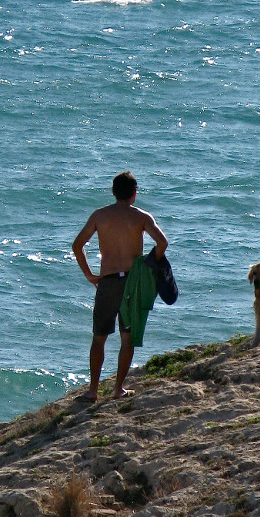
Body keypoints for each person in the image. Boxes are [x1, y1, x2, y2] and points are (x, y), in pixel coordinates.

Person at [72, 171, 168, 402]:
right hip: (132, 282)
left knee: (99, 337)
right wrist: (149, 263)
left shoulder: (99, 216)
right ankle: (118, 390)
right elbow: (162, 242)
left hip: (107, 280)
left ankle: (93, 391)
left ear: (113, 192)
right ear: (134, 194)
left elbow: (77, 246)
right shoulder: (141, 217)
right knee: (127, 338)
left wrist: (89, 275)